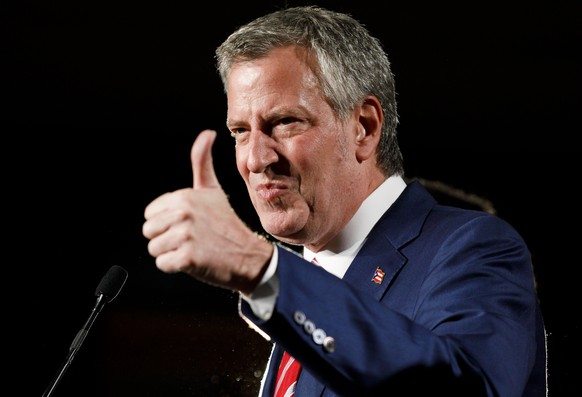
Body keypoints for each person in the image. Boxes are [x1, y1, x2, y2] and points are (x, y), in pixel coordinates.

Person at [142, 5, 547, 396]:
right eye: (240, 131)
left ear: (364, 127)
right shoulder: (306, 279)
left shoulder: (473, 247)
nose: (255, 159)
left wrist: (258, 267)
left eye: (284, 122)